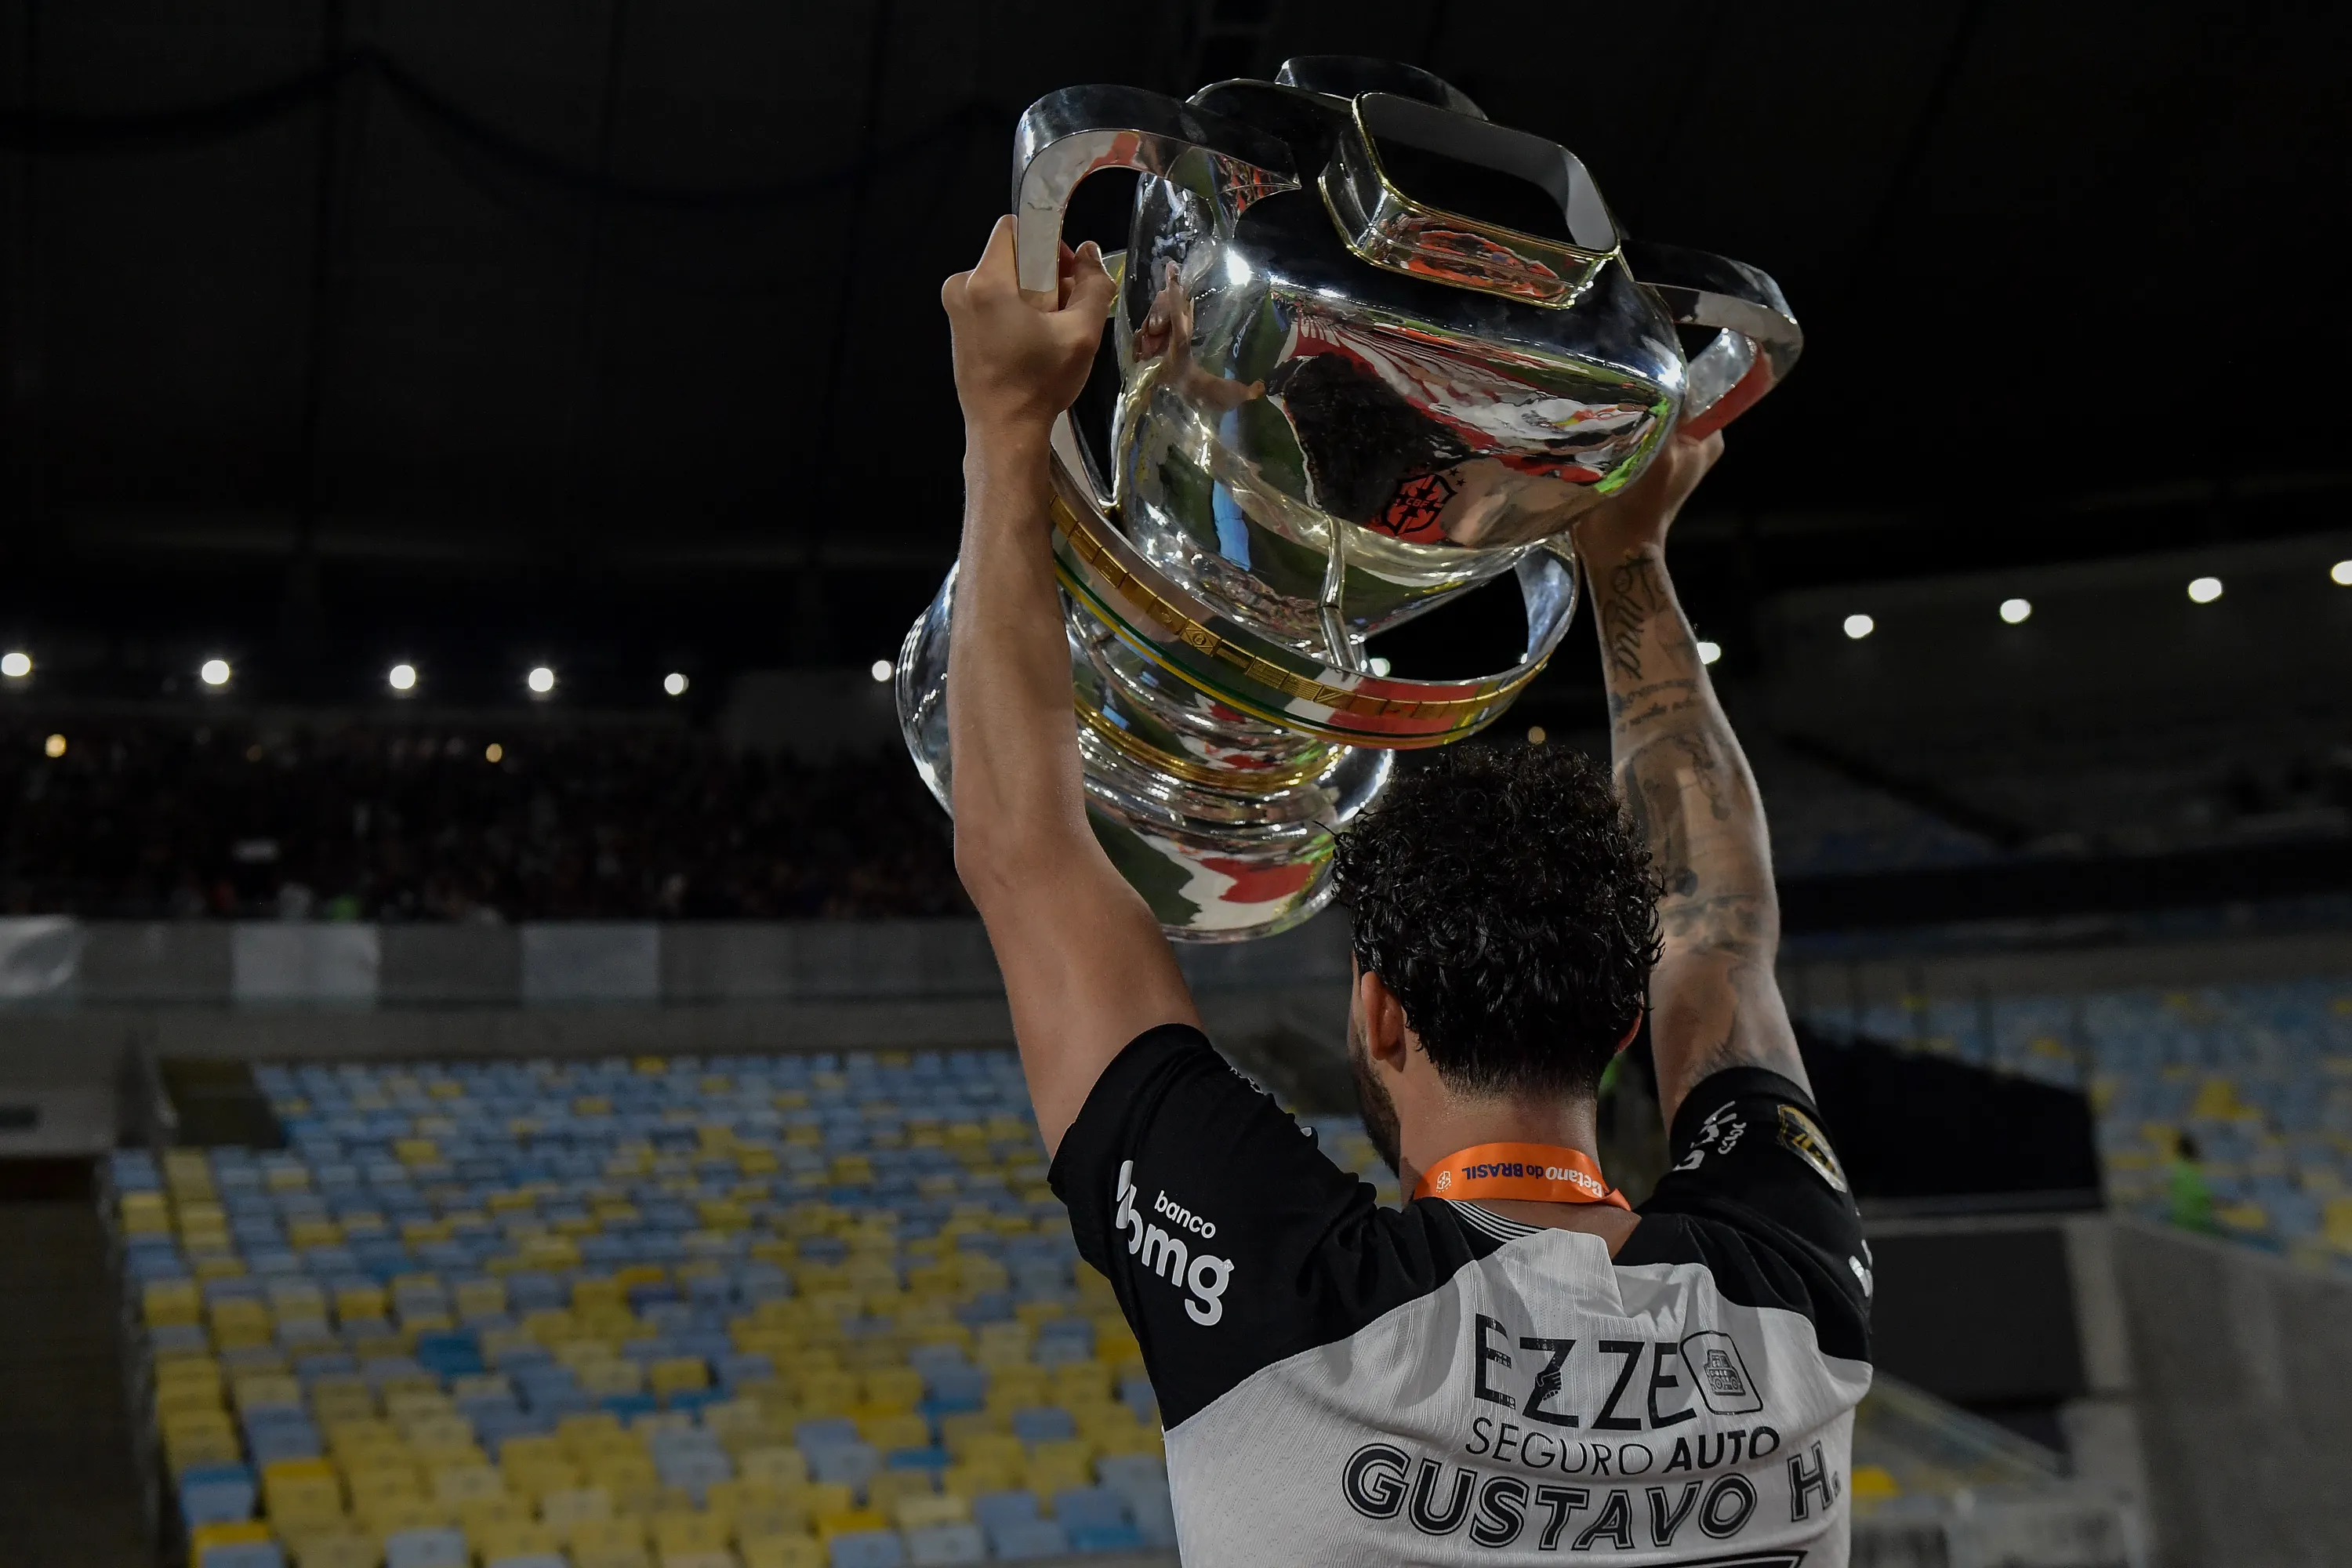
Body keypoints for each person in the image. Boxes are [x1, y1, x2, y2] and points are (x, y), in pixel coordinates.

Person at [942, 217, 1872, 1565]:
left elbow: (1024, 855)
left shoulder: (1298, 1305)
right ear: (1622, 1027)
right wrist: (1633, 559)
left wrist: (1006, 416)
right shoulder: (1792, 1307)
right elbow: (1722, 939)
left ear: (1379, 1015)